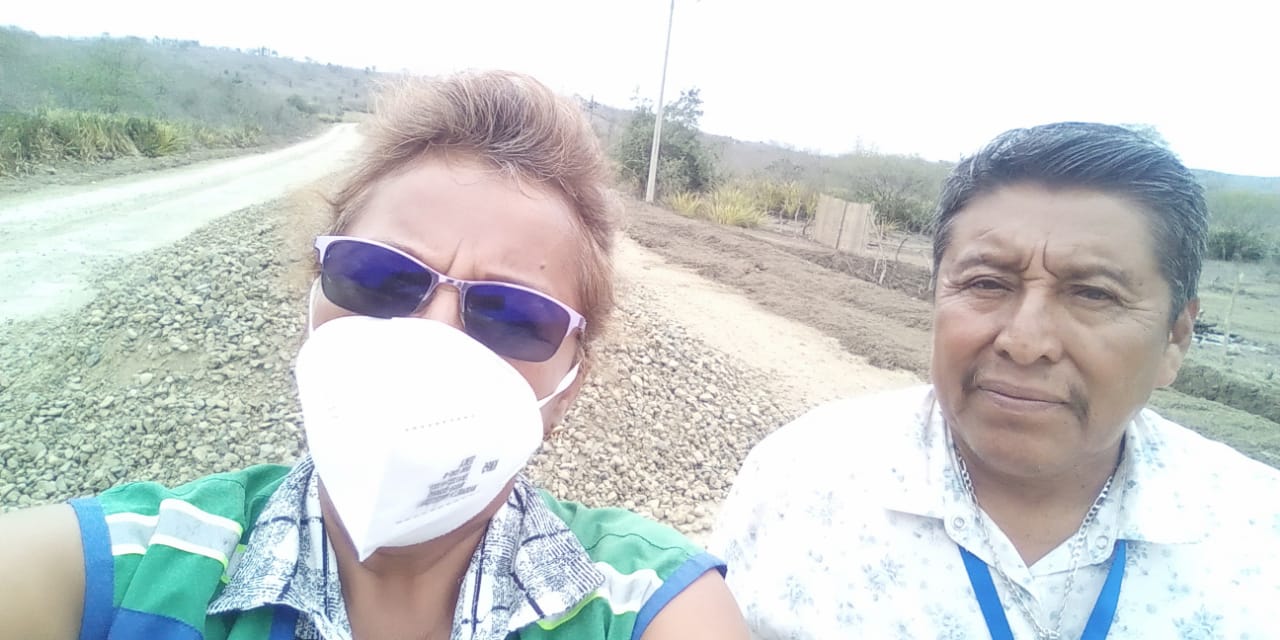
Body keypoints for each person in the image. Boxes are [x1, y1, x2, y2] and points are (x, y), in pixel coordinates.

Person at [0, 70, 750, 640]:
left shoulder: (644, 605)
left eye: (514, 316)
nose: (433, 337)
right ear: (313, 299)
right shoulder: (128, 571)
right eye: (380, 277)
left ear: (568, 387)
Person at [710, 122, 1280, 638]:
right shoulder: (798, 480)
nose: (1025, 342)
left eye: (1092, 293)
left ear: (1175, 339)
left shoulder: (1257, 538)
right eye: (986, 283)